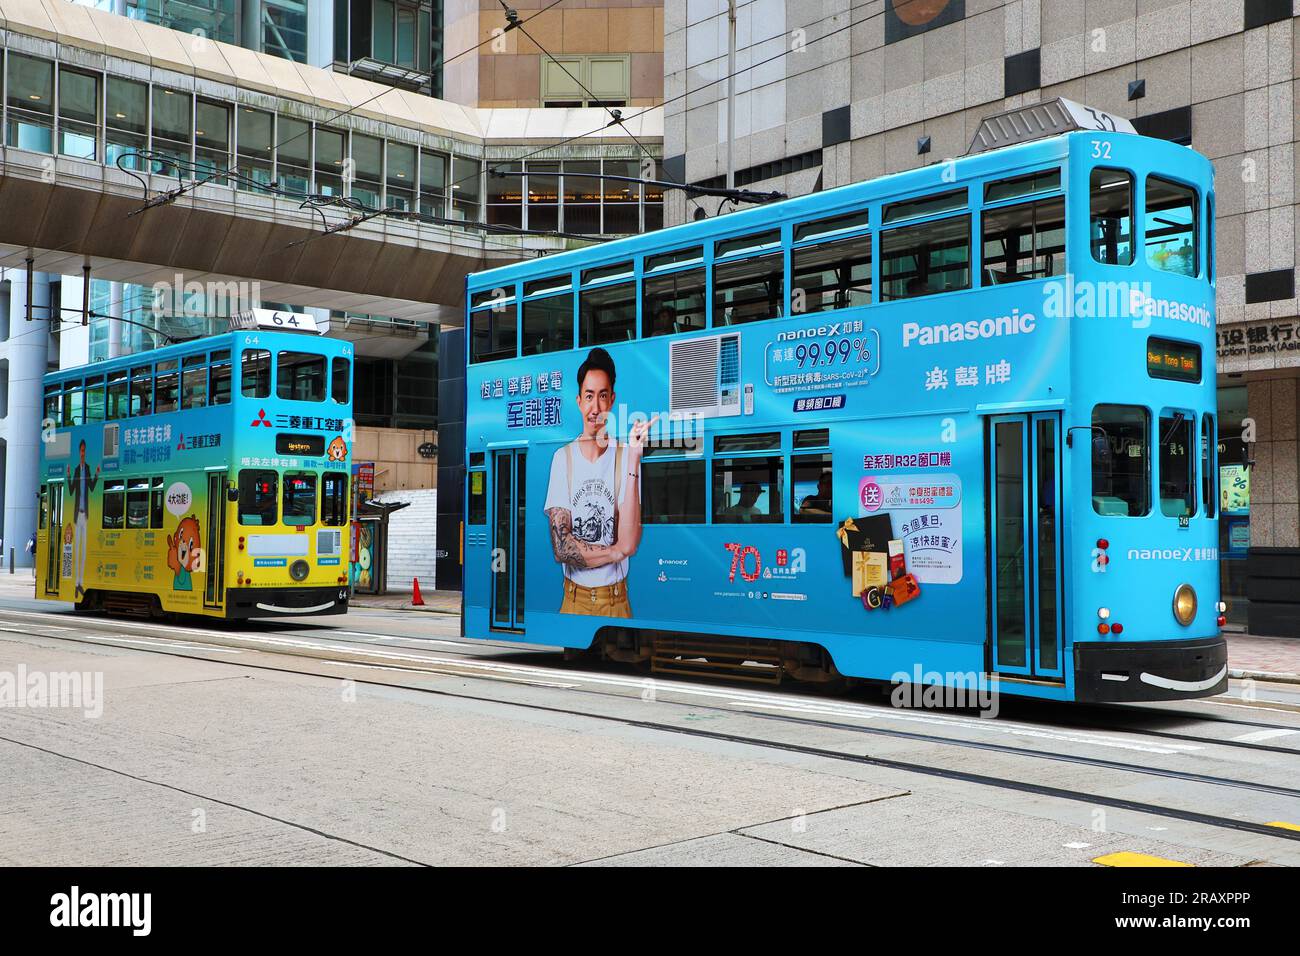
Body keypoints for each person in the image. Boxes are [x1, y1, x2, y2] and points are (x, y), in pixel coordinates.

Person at [544, 347, 654, 617]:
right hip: (574, 600)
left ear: (612, 400)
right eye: (590, 396)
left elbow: (628, 544)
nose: (596, 408)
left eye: (603, 396)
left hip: (616, 600)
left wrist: (635, 458)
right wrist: (613, 552)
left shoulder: (625, 457)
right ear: (579, 400)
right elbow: (562, 547)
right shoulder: (563, 459)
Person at [65, 439, 99, 600]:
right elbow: (71, 491)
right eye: (81, 451)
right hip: (77, 515)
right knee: (77, 549)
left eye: (85, 450)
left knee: (84, 550)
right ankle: (76, 583)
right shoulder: (78, 470)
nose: (83, 453)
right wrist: (69, 476)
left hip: (85, 515)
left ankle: (80, 582)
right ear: (79, 452)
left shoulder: (89, 469)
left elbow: (92, 487)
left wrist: (97, 475)